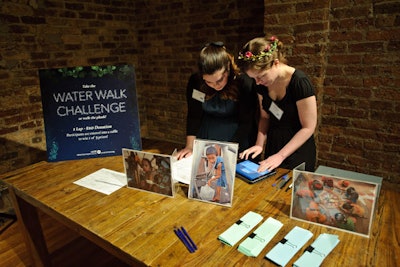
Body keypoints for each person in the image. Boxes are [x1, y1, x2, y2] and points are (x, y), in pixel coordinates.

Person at [237, 35, 317, 172]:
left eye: (261, 76)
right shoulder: (261, 85)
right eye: (253, 78)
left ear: (275, 63)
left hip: (297, 147)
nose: (257, 82)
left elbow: (308, 127)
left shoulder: (299, 82)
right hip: (274, 144)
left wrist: (281, 155)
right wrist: (259, 144)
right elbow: (264, 117)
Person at [176, 42, 259, 160]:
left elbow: (247, 122)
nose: (215, 85)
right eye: (209, 82)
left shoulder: (243, 82)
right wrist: (189, 146)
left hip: (236, 135)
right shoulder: (196, 81)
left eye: (219, 80)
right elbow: (194, 115)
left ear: (228, 69)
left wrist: (228, 151)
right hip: (207, 134)